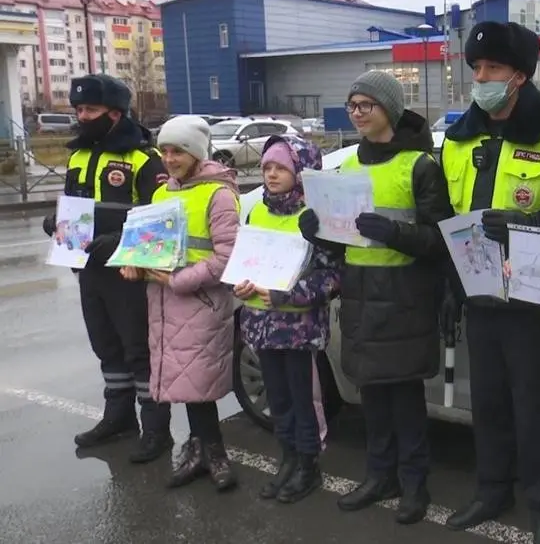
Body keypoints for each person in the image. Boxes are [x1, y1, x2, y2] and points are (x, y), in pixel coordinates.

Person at [438, 20, 540, 543]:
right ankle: (491, 488)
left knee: (537, 409)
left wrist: (531, 224)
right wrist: (448, 289)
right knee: (490, 402)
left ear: (520, 76)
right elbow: (445, 217)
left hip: (533, 299)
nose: (481, 77)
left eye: (493, 68)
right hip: (478, 295)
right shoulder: (458, 139)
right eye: (476, 67)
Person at [298, 70, 453, 524]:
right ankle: (379, 473)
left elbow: (440, 238)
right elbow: (338, 238)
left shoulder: (420, 165)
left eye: (366, 105)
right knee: (372, 397)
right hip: (360, 295)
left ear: (390, 109)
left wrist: (397, 234)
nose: (358, 113)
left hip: (405, 297)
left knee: (404, 400)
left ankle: (414, 483)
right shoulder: (345, 168)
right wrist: (318, 232)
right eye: (353, 106)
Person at [42, 74, 171, 463]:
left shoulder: (144, 158)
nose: (82, 116)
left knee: (139, 350)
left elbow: (163, 220)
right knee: (106, 346)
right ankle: (119, 418)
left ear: (115, 114)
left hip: (129, 271)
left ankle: (156, 429)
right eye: (79, 109)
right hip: (89, 269)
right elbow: (77, 206)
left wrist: (121, 243)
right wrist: (57, 223)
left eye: (91, 110)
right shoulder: (78, 154)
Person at [119, 115, 241, 492]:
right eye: (165, 150)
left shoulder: (219, 194)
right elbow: (147, 246)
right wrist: (134, 263)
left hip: (199, 301)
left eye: (178, 151)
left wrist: (178, 281)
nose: (169, 158)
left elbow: (227, 256)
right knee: (185, 382)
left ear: (196, 152)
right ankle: (200, 450)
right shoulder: (161, 193)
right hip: (164, 303)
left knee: (198, 380)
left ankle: (214, 453)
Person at [235, 134, 342, 504]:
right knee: (278, 401)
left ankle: (308, 466)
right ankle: (288, 459)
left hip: (299, 328)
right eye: (266, 167)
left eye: (281, 167)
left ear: (302, 171)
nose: (272, 174)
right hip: (262, 325)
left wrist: (288, 296)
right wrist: (240, 284)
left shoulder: (315, 217)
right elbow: (245, 259)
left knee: (305, 401)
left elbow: (331, 276)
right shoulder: (257, 210)